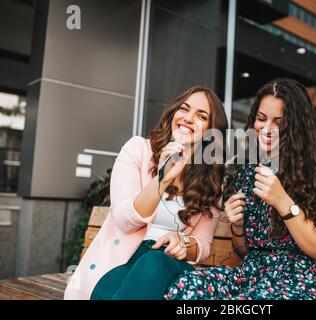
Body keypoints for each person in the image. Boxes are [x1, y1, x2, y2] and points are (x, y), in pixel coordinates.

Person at [165, 78, 316, 300]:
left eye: (279, 123)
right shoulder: (249, 169)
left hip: (300, 278)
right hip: (253, 273)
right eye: (261, 119)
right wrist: (238, 226)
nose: (267, 129)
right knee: (188, 286)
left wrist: (283, 202)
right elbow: (244, 250)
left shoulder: (315, 169)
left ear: (295, 127)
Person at [64, 85, 228, 300]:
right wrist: (162, 180)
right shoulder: (138, 150)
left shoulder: (210, 180)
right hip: (124, 263)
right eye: (184, 109)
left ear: (210, 130)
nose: (188, 118)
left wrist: (184, 244)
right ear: (173, 113)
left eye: (201, 116)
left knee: (154, 261)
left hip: (170, 267)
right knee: (109, 290)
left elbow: (202, 244)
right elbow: (125, 220)